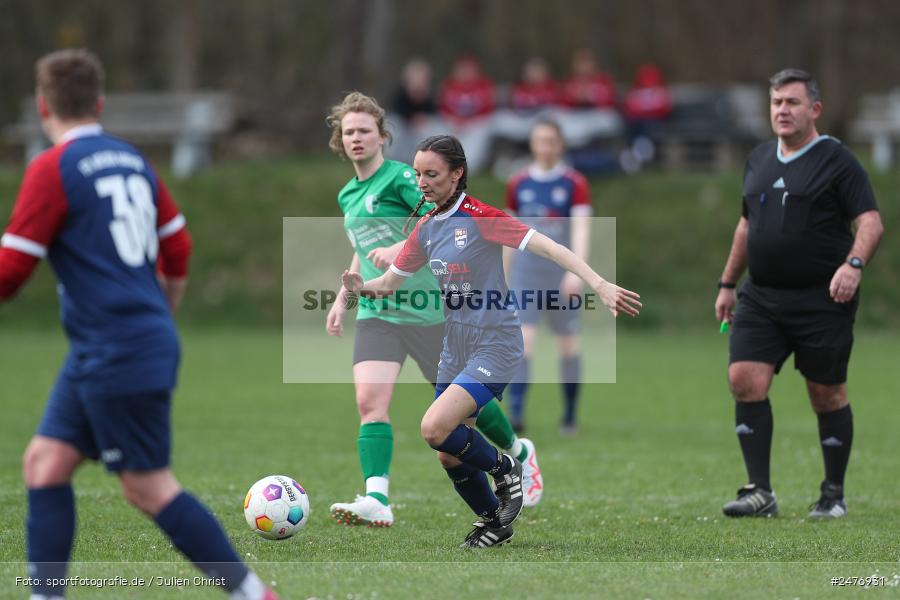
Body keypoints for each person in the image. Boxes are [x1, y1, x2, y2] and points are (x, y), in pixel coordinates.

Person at [0, 49, 276, 600]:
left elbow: (9, 272)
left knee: (147, 487)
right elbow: (178, 245)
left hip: (115, 346)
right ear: (99, 102)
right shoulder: (131, 159)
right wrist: (161, 312)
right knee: (46, 462)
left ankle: (253, 594)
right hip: (114, 345)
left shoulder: (52, 168)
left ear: (42, 105)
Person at [341, 135, 641, 547]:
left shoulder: (481, 216)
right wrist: (361, 288)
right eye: (417, 174)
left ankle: (506, 468)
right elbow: (391, 282)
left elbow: (551, 248)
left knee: (433, 427)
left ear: (457, 173)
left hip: (495, 341)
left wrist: (599, 283)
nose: (422, 182)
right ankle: (494, 522)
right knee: (448, 451)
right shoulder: (426, 229)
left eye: (432, 174)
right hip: (455, 344)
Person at [324, 92, 543, 528]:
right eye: (348, 132)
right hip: (380, 311)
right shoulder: (348, 194)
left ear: (383, 136)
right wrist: (345, 294)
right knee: (370, 401)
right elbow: (362, 252)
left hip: (430, 310)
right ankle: (377, 498)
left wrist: (397, 247)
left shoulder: (404, 178)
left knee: (465, 412)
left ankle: (519, 452)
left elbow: (434, 219)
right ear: (340, 140)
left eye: (364, 130)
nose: (356, 138)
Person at [715, 69, 883, 519]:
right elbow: (746, 226)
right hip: (762, 297)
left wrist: (853, 265)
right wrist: (728, 283)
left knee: (825, 394)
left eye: (792, 102)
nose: (782, 111)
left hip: (822, 299)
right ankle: (759, 492)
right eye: (776, 103)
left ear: (815, 109)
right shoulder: (758, 160)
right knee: (743, 379)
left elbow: (870, 221)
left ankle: (832, 495)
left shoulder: (837, 160)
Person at [505, 119, 593, 439]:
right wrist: (504, 274)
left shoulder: (574, 182)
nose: (545, 146)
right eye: (539, 140)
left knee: (568, 346)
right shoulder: (517, 183)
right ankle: (516, 414)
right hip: (526, 274)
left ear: (560, 145)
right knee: (523, 342)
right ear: (532, 144)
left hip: (560, 276)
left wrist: (575, 271)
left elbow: (582, 228)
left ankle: (569, 416)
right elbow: (509, 232)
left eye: (551, 141)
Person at [437, 55, 497, 125]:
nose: (465, 72)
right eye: (462, 68)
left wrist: (471, 121)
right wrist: (455, 120)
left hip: (479, 123)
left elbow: (489, 108)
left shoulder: (484, 85)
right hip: (453, 123)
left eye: (469, 68)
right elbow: (442, 108)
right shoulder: (447, 85)